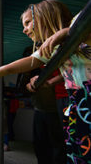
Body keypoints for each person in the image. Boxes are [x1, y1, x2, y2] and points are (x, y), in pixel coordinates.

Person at [0, 0, 73, 162]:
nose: (24, 30)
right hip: (75, 103)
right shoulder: (48, 51)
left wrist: (65, 31)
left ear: (43, 16)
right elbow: (8, 68)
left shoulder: (76, 27)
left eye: (28, 23)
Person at [28, 11, 91, 163]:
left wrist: (51, 82)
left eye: (29, 23)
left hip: (71, 96)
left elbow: (73, 67)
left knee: (62, 141)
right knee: (60, 139)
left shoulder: (68, 42)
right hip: (60, 98)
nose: (26, 30)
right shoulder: (44, 50)